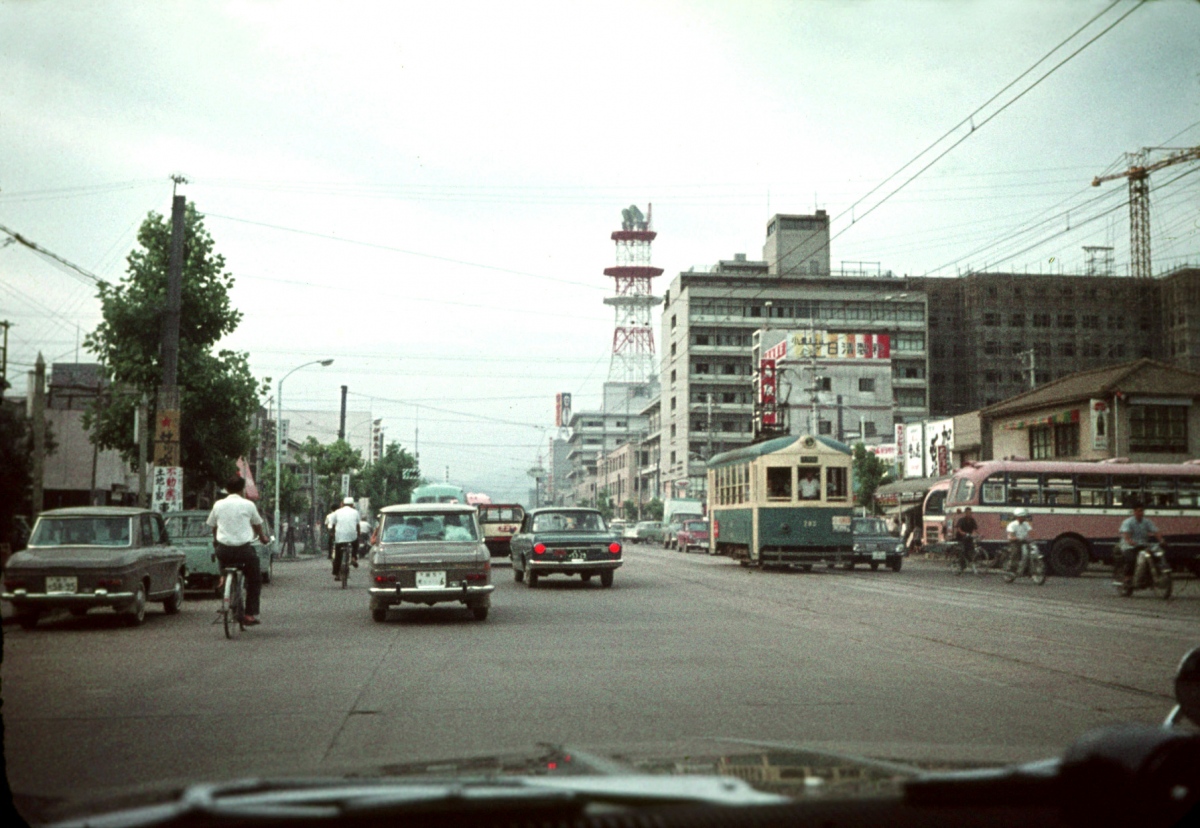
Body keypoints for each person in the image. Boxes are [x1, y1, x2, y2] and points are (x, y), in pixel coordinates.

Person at [206, 474, 270, 625]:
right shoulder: (248, 505)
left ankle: (223, 578)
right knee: (255, 579)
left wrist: (216, 540)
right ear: (242, 489)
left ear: (226, 489)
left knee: (221, 555)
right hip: (244, 551)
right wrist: (262, 537)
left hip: (224, 550)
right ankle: (249, 614)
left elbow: (213, 526)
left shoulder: (218, 505)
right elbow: (257, 524)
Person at [1116, 501, 1163, 585]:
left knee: (1155, 557)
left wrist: (1161, 540)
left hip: (1143, 545)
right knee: (1132, 559)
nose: (1141, 513)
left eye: (1142, 511)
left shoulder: (1147, 522)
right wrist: (1130, 541)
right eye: (1139, 511)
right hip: (1129, 546)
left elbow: (1156, 531)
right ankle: (1127, 578)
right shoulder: (1128, 522)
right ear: (1134, 512)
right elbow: (1126, 535)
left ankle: (1149, 576)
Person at [330, 497, 361, 579]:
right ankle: (354, 557)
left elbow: (333, 524)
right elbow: (357, 525)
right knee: (355, 544)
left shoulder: (337, 512)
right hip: (352, 535)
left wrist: (332, 533)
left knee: (338, 554)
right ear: (352, 504)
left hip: (340, 535)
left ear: (343, 504)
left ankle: (336, 573)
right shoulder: (355, 512)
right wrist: (358, 533)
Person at [1005, 508, 1033, 574]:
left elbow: (1031, 532)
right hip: (1015, 542)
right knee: (1015, 553)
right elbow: (1010, 536)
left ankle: (1027, 568)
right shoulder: (1012, 525)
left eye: (1024, 516)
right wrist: (1016, 538)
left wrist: (1035, 538)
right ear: (1018, 517)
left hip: (1024, 541)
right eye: (1022, 516)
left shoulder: (1026, 524)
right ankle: (1011, 569)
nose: (1024, 518)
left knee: (1029, 553)